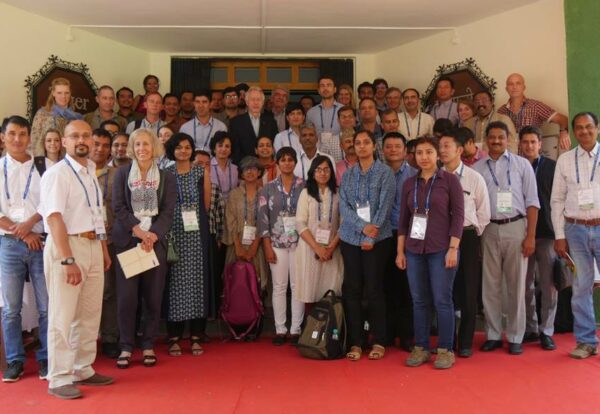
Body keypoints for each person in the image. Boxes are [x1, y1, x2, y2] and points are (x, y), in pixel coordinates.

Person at [40, 120, 113, 399]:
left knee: (89, 314)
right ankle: (59, 377)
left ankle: (82, 368)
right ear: (64, 141)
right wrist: (67, 260)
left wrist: (103, 250)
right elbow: (54, 217)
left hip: (93, 244)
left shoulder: (90, 172)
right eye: (75, 135)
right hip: (67, 246)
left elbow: (98, 215)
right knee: (63, 315)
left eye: (86, 135)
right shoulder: (58, 174)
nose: (82, 140)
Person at [396, 136, 464, 369]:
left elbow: (458, 218)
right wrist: (400, 252)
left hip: (442, 249)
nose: (424, 157)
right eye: (419, 153)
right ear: (413, 156)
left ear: (437, 155)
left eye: (428, 152)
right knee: (419, 301)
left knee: (442, 300)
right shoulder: (408, 184)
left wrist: (453, 248)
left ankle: (445, 349)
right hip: (414, 250)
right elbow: (403, 222)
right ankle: (422, 347)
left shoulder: (450, 181)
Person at [112, 128, 176, 368]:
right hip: (128, 242)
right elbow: (118, 207)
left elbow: (168, 212)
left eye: (146, 144)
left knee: (152, 297)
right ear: (132, 147)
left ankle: (148, 344)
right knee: (127, 299)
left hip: (154, 244)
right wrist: (138, 231)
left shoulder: (166, 177)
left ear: (154, 147)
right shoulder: (121, 174)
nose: (142, 149)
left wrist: (153, 234)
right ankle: (126, 346)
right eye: (137, 144)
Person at [474, 121, 539, 355]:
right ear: (486, 140)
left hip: (516, 227)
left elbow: (533, 202)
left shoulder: (522, 165)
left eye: (501, 137)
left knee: (516, 285)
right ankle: (492, 334)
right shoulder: (478, 168)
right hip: (488, 229)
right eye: (492, 137)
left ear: (508, 139)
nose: (496, 141)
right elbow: (475, 205)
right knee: (490, 285)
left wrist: (530, 236)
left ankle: (515, 335)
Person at [339, 130, 395, 361]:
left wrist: (371, 235)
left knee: (374, 289)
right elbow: (344, 206)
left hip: (378, 240)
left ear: (374, 146)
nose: (361, 147)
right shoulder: (348, 175)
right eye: (357, 143)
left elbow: (385, 207)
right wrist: (363, 228)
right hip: (350, 239)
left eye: (366, 143)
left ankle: (379, 339)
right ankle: (355, 341)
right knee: (351, 290)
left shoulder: (385, 173)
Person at [0, 116, 48, 382]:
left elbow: (49, 204)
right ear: (3, 137)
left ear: (30, 137)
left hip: (39, 243)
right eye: (12, 134)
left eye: (22, 134)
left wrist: (30, 226)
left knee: (46, 306)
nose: (17, 139)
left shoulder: (43, 168)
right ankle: (15, 360)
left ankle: (46, 360)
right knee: (10, 308)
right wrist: (20, 232)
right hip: (8, 244)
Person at [551, 112, 600, 359]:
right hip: (575, 230)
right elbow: (557, 199)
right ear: (573, 132)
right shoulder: (565, 160)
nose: (584, 131)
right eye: (579, 128)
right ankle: (586, 341)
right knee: (581, 287)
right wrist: (560, 235)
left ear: (597, 129)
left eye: (588, 127)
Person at [438, 129, 490, 357]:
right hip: (439, 238)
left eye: (447, 146)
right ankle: (445, 340)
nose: (442, 151)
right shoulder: (434, 177)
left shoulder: (474, 177)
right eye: (440, 147)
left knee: (468, 290)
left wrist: (472, 234)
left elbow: (484, 213)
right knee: (443, 290)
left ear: (459, 150)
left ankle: (466, 341)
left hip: (467, 237)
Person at [164, 133, 211, 357]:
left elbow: (207, 204)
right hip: (173, 235)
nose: (183, 151)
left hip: (195, 235)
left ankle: (195, 336)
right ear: (172, 150)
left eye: (187, 147)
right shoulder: (165, 174)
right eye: (179, 148)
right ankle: (173, 336)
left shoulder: (201, 172)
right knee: (173, 284)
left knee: (196, 283)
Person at [258, 148, 305, 345]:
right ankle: (280, 329)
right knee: (279, 286)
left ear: (295, 162)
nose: (287, 163)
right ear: (277, 163)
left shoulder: (304, 186)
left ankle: (295, 329)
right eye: (283, 160)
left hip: (300, 242)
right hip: (276, 243)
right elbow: (262, 220)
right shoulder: (267, 188)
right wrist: (267, 246)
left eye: (290, 160)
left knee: (297, 286)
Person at [519, 126, 558, 350]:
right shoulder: (516, 167)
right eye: (525, 142)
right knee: (524, 286)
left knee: (548, 285)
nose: (529, 146)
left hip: (548, 234)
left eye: (533, 142)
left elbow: (559, 201)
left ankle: (547, 330)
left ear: (540, 144)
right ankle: (530, 328)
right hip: (520, 234)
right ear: (520, 144)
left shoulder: (552, 167)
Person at [383, 132, 417, 351]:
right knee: (385, 286)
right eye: (389, 146)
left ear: (405, 151)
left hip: (409, 234)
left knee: (407, 286)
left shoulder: (415, 175)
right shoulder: (377, 173)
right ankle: (386, 333)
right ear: (383, 150)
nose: (393, 150)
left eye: (398, 146)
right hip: (383, 234)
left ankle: (406, 335)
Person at [295, 155, 343, 303]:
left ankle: (330, 326)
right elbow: (300, 223)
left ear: (332, 173)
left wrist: (330, 248)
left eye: (326, 170)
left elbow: (344, 224)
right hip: (310, 249)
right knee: (310, 291)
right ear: (313, 173)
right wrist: (317, 248)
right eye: (319, 170)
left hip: (332, 249)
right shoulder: (306, 193)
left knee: (331, 290)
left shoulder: (338, 194)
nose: (323, 173)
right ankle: (312, 326)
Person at [89, 128, 119, 359]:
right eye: (96, 144)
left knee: (109, 292)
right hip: (83, 240)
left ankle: (109, 337)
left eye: (105, 145)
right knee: (84, 292)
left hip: (110, 240)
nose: (100, 149)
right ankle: (86, 341)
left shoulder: (118, 174)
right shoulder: (78, 172)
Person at [223, 157, 269, 294]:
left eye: (254, 168)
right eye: (246, 169)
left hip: (258, 245)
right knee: (236, 281)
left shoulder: (265, 193)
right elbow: (230, 220)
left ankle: (255, 311)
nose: (250, 172)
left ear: (259, 172)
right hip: (236, 245)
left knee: (257, 280)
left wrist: (254, 247)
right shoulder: (234, 194)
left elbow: (266, 221)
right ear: (241, 173)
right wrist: (238, 247)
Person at [498, 73, 571, 150]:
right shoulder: (501, 112)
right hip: (509, 159)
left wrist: (563, 132)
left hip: (531, 159)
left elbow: (563, 119)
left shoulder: (535, 106)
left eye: (518, 83)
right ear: (506, 88)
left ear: (524, 87)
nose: (514, 87)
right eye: (510, 84)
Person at [194, 150, 226, 325]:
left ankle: (203, 325)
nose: (204, 168)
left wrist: (219, 237)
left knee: (208, 282)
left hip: (210, 238)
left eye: (207, 164)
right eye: (199, 164)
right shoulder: (182, 184)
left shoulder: (214, 188)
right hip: (188, 241)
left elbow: (220, 214)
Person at [31, 78, 83, 156]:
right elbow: (35, 141)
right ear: (53, 93)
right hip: (48, 161)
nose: (63, 96)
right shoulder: (42, 114)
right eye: (59, 93)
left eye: (66, 93)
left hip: (71, 160)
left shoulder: (77, 118)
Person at [230, 86, 279, 164]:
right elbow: (235, 149)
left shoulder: (271, 121)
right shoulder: (236, 122)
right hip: (244, 167)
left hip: (267, 166)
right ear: (247, 102)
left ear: (262, 102)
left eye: (258, 100)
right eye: (253, 99)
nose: (256, 103)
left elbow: (274, 146)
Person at [306, 76, 342, 161]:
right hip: (317, 154)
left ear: (335, 89)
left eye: (329, 85)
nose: (325, 88)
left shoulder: (343, 110)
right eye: (322, 86)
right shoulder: (311, 112)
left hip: (338, 153)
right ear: (318, 90)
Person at [209, 131, 239, 199]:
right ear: (214, 149)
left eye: (227, 146)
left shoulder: (235, 169)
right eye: (220, 145)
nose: (224, 149)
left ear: (231, 150)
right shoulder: (207, 167)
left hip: (232, 205)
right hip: (213, 205)